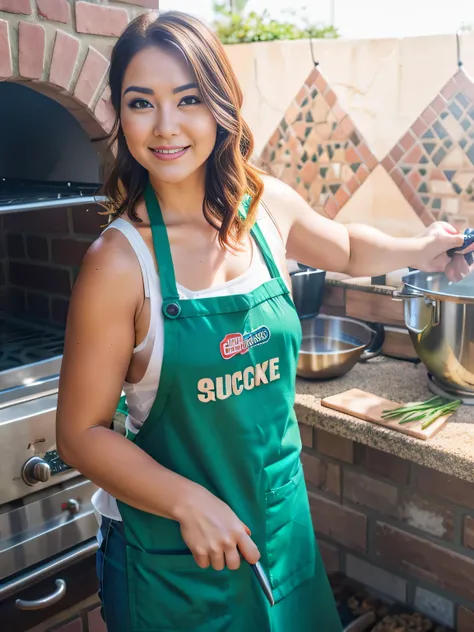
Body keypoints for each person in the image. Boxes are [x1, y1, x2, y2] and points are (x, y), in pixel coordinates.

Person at [56, 10, 472, 632]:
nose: (166, 126)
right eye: (141, 103)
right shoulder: (120, 262)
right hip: (173, 558)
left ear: (221, 105)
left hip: (278, 529)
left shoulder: (265, 206)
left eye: (188, 99)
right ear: (120, 115)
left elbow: (348, 248)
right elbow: (80, 433)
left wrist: (420, 247)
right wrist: (186, 501)